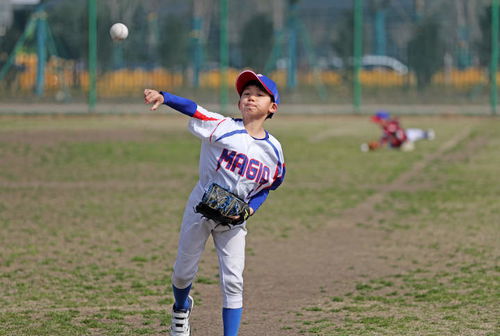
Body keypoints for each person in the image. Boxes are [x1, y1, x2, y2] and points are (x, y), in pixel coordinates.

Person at [143, 70, 286, 336]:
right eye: (245, 94)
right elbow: (194, 109)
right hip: (200, 207)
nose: (250, 98)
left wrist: (251, 209)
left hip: (234, 220)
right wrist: (164, 96)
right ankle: (181, 307)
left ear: (272, 107)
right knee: (183, 273)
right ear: (238, 103)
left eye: (259, 94)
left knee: (233, 281)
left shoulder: (274, 151)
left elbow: (270, 186)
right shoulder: (221, 126)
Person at [361, 110, 435, 152]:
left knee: (412, 133)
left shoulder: (390, 128)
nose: (377, 123)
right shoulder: (388, 127)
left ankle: (427, 134)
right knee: (410, 132)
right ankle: (426, 134)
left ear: (383, 120)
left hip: (406, 138)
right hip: (400, 139)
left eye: (378, 121)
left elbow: (397, 136)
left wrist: (404, 144)